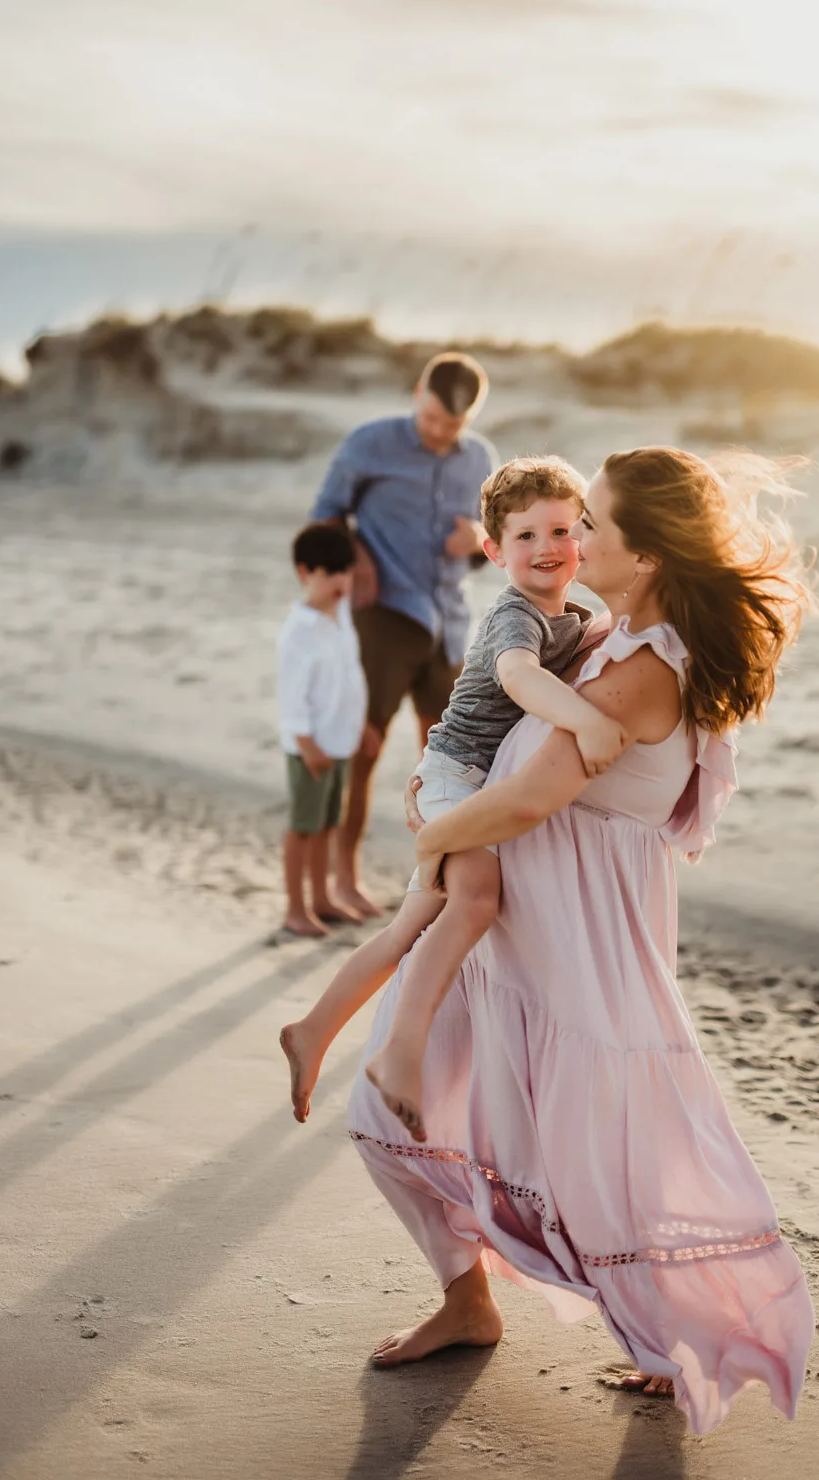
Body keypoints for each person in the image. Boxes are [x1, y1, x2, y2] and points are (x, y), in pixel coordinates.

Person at [346, 447, 818, 1435]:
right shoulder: (613, 632)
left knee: (597, 1153)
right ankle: (468, 1303)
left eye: (594, 525)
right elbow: (501, 722)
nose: (578, 539)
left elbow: (532, 794)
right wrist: (442, 791)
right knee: (397, 1110)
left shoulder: (645, 668)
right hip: (511, 920)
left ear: (642, 557)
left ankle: (675, 1332)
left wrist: (431, 835)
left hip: (569, 941)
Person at [280, 458, 627, 1126]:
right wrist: (584, 718)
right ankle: (400, 1053)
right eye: (524, 537)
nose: (546, 548)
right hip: (451, 777)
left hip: (474, 782)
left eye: (559, 530)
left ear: (582, 537)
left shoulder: (574, 614)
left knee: (410, 927)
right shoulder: (514, 617)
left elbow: (594, 642)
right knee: (475, 899)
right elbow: (522, 677)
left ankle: (312, 1029)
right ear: (493, 552)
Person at [310, 351, 498, 918]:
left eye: (454, 424)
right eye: (434, 417)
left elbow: (491, 544)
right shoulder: (371, 443)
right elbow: (324, 518)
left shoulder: (481, 459)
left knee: (449, 765)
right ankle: (343, 878)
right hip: (384, 617)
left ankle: (438, 886)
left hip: (449, 626)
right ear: (419, 393)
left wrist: (477, 543)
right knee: (360, 754)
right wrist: (358, 555)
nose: (441, 431)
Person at [276, 523, 374, 937]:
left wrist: (363, 724)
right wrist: (306, 742)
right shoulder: (300, 630)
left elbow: (350, 676)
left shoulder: (341, 616)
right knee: (304, 827)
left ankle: (321, 898)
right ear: (304, 573)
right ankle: (295, 909)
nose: (339, 581)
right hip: (311, 747)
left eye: (344, 571)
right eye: (328, 572)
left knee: (329, 824)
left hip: (340, 741)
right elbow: (291, 696)